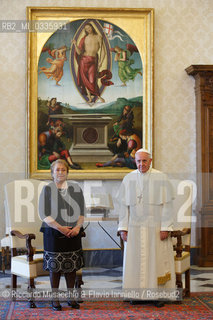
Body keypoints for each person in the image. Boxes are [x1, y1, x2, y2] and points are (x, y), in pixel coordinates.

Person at [117, 149, 175, 307]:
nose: (141, 164)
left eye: (144, 161)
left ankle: (158, 295)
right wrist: (123, 228)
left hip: (155, 228)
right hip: (134, 227)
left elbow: (168, 206)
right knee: (134, 260)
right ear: (134, 161)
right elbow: (123, 207)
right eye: (138, 161)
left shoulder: (161, 177)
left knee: (156, 260)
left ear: (150, 160)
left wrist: (165, 227)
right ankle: (136, 294)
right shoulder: (128, 179)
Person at [39, 159, 85, 311]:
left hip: (73, 233)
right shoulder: (47, 189)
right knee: (56, 268)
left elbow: (82, 212)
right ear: (52, 173)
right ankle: (55, 299)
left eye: (63, 170)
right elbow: (43, 214)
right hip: (53, 233)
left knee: (71, 267)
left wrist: (77, 227)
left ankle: (71, 298)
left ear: (67, 172)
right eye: (57, 170)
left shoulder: (76, 188)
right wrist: (60, 228)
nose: (60, 172)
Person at [72, 23, 108, 103]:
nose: (88, 29)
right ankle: (90, 98)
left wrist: (101, 62)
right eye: (86, 29)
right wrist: (75, 44)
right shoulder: (84, 38)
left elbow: (103, 52)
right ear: (85, 30)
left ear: (92, 27)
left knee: (92, 80)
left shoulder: (99, 37)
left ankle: (98, 96)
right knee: (85, 80)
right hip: (84, 60)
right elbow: (79, 52)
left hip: (93, 60)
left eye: (89, 27)